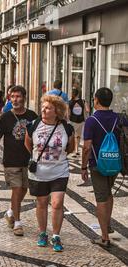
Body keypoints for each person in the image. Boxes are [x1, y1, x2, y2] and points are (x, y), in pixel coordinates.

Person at [25, 95, 75, 252]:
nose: (43, 110)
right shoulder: (34, 125)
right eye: (43, 107)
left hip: (60, 171)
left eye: (48, 108)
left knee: (57, 203)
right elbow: (28, 143)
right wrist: (37, 157)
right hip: (39, 172)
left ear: (57, 111)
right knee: (41, 203)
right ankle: (42, 233)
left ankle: (56, 236)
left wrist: (58, 157)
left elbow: (71, 147)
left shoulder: (66, 128)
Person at [81, 87, 128, 247]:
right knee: (108, 194)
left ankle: (104, 237)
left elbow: (87, 147)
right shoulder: (120, 118)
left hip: (98, 165)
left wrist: (82, 166)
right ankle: (107, 225)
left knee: (101, 198)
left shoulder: (91, 121)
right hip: (115, 162)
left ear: (96, 100)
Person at [0, 86, 38, 236]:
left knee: (24, 189)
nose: (15, 99)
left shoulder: (32, 116)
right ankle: (18, 222)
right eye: (12, 97)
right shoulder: (5, 117)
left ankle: (11, 211)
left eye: (18, 96)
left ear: (24, 97)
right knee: (17, 190)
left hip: (28, 160)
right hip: (11, 160)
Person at [68, 88, 88, 157]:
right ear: (78, 94)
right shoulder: (82, 101)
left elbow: (69, 114)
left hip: (72, 121)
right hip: (80, 121)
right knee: (78, 136)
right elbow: (87, 110)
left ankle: (74, 151)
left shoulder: (70, 102)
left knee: (73, 136)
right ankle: (76, 150)